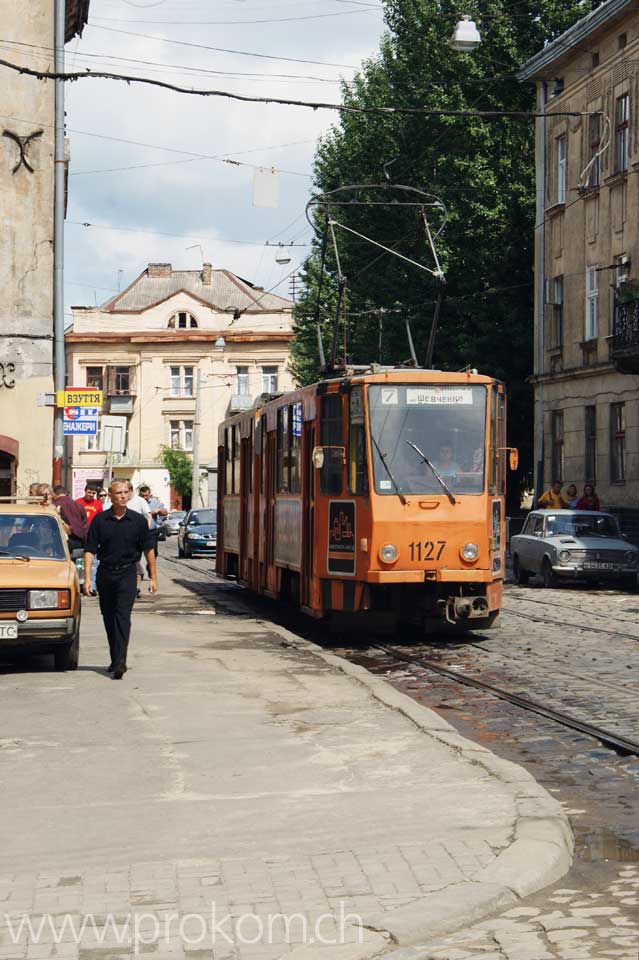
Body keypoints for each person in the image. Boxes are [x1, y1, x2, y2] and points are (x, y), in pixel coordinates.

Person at [84, 479, 157, 679]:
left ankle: (120, 662)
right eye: (118, 493)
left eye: (126, 492)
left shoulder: (138, 521)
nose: (123, 496)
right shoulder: (100, 520)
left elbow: (149, 549)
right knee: (109, 617)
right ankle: (114, 658)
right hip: (106, 574)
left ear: (130, 494)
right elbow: (90, 550)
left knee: (122, 616)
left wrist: (153, 577)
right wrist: (88, 579)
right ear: (110, 496)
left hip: (127, 573)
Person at [125, 482, 152, 597]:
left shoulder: (140, 501)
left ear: (131, 490)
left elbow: (148, 515)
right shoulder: (121, 500)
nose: (123, 494)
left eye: (126, 491)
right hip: (123, 537)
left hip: (137, 538)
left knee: (138, 563)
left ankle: (136, 588)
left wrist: (145, 530)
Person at [51, 485, 88, 552]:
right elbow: (85, 526)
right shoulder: (79, 505)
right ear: (65, 493)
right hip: (79, 543)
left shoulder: (54, 506)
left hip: (60, 543)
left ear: (54, 494)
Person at [139, 485, 168, 562]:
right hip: (138, 532)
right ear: (140, 495)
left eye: (146, 495)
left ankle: (150, 569)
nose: (145, 497)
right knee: (137, 552)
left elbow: (165, 512)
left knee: (153, 552)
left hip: (151, 532)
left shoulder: (155, 503)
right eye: (143, 496)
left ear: (150, 494)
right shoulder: (137, 503)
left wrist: (158, 510)